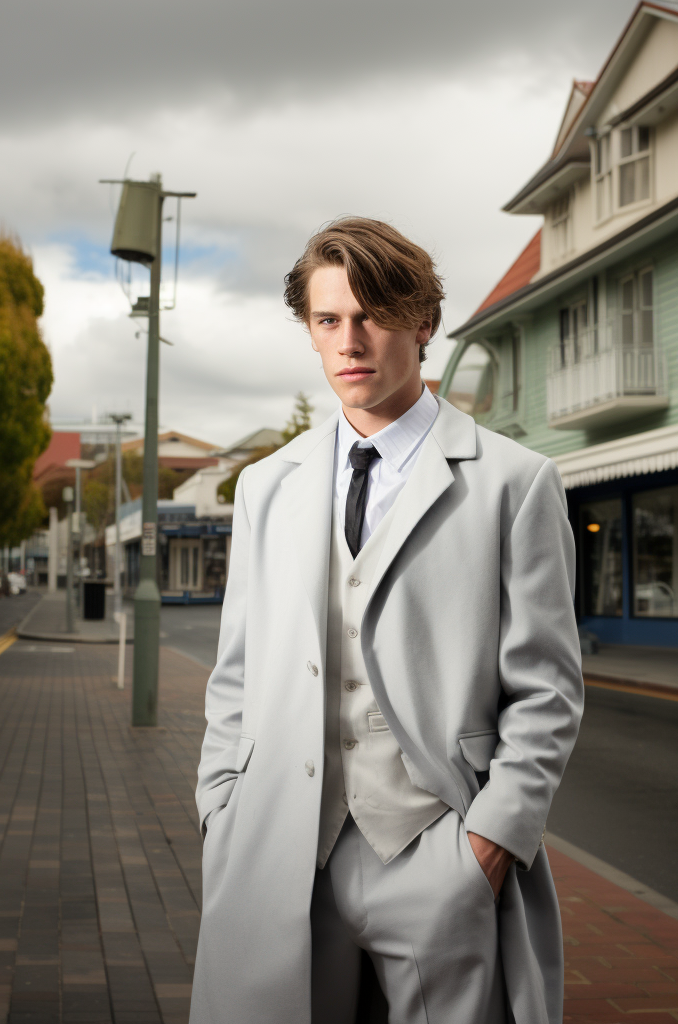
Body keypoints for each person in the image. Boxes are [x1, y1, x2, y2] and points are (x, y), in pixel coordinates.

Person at [190, 217, 583, 1024]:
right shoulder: (268, 485)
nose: (350, 341)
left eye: (372, 315)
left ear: (423, 323)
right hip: (280, 852)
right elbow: (237, 666)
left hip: (437, 851)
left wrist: (489, 843)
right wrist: (220, 804)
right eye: (329, 320)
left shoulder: (516, 483)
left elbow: (547, 689)